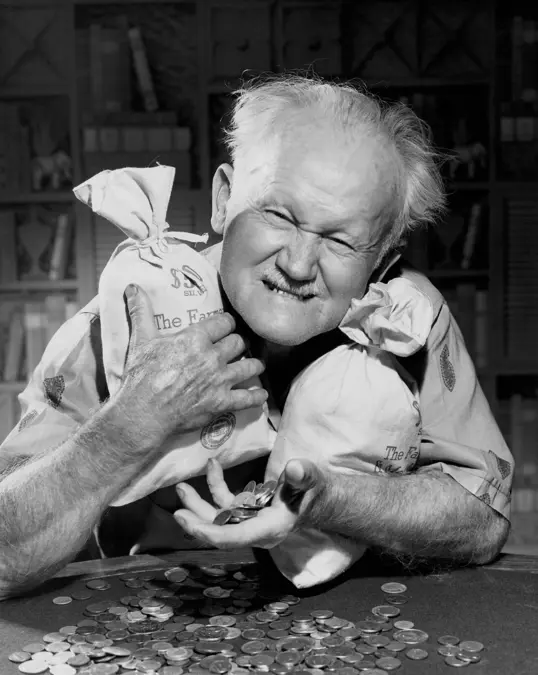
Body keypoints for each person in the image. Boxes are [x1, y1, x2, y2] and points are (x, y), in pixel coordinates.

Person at [0, 75, 513, 599]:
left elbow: (482, 521)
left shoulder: (408, 317)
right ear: (224, 199)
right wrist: (130, 424)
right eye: (278, 215)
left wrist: (321, 500)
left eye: (340, 241)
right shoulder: (124, 317)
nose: (296, 264)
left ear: (381, 256)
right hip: (148, 618)